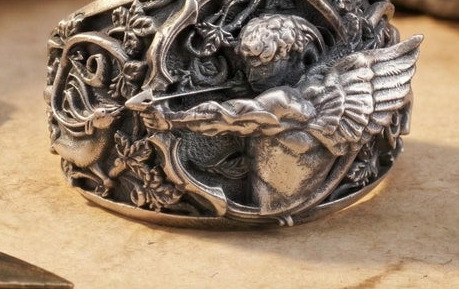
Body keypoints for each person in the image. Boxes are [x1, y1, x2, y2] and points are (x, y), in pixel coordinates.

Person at [128, 13, 420, 220]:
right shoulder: (310, 98)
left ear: (302, 59)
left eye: (266, 65)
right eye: (250, 64)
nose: (253, 76)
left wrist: (170, 120)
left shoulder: (285, 100)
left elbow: (226, 116)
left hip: (279, 205)